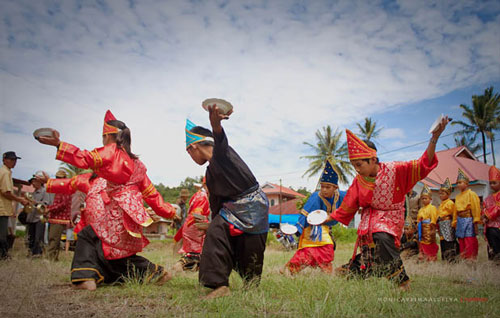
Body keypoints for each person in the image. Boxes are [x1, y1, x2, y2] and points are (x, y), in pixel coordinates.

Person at [36, 110, 176, 290]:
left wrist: (59, 145)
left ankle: (84, 278)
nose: (102, 143)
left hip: (113, 217)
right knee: (114, 254)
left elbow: (85, 158)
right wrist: (170, 212)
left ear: (108, 136)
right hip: (127, 219)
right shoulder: (137, 165)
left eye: (103, 138)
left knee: (88, 235)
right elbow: (152, 195)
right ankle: (157, 273)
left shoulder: (111, 152)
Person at [329, 116, 448, 290]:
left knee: (382, 236)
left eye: (359, 164)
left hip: (390, 217)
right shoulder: (358, 180)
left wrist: (434, 139)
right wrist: (328, 218)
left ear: (373, 160)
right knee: (371, 257)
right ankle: (353, 269)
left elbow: (424, 165)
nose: (357, 169)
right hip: (369, 220)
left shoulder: (396, 170)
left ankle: (401, 281)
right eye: (354, 165)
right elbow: (348, 206)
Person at [185, 104, 269, 300]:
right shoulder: (210, 172)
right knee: (217, 232)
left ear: (194, 146)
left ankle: (251, 283)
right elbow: (216, 204)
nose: (190, 156)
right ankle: (219, 285)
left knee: (251, 249)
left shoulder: (221, 155)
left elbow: (220, 143)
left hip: (254, 206)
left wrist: (216, 127)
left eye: (189, 152)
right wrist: (211, 223)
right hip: (232, 210)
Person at [282, 159, 345, 275]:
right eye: (322, 186)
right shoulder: (316, 197)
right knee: (308, 253)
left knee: (327, 250)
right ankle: (289, 270)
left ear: (335, 187)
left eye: (328, 187)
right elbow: (304, 214)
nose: (324, 190)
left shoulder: (341, 196)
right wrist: (297, 229)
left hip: (325, 229)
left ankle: (327, 276)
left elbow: (353, 200)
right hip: (311, 229)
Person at [173, 180, 211, 272]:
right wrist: (204, 224)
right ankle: (179, 266)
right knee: (196, 253)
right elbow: (198, 213)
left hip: (189, 223)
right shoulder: (203, 196)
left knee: (197, 253)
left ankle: (191, 270)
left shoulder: (198, 194)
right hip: (196, 224)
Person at [0, 151, 29, 260]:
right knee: (2, 236)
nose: (14, 162)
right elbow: (6, 192)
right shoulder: (5, 173)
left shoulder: (4, 172)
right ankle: (3, 256)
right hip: (1, 209)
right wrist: (20, 199)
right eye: (11, 160)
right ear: (4, 160)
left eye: (15, 160)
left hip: (4, 208)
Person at [452, 168, 481, 261]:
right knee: (461, 240)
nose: (459, 184)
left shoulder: (471, 194)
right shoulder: (457, 197)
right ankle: (463, 258)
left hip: (469, 219)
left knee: (469, 239)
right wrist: (455, 221)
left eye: (461, 182)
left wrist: (476, 220)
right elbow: (455, 211)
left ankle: (471, 258)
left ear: (467, 183)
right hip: (460, 220)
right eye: (458, 183)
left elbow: (475, 207)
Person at [46, 169, 72, 261]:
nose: (58, 179)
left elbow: (63, 204)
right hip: (55, 217)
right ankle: (54, 258)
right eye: (57, 178)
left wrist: (49, 209)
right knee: (54, 238)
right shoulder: (60, 188)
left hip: (60, 218)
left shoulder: (65, 189)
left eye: (60, 178)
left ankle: (50, 258)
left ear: (65, 178)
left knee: (53, 238)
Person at [26, 176, 51, 257]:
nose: (33, 183)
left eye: (35, 181)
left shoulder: (44, 192)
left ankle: (38, 253)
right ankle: (30, 252)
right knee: (31, 236)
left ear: (40, 182)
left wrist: (35, 202)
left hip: (39, 218)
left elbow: (46, 204)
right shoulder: (33, 193)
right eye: (32, 182)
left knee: (38, 237)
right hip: (31, 217)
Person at [437, 178, 459, 262]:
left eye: (443, 193)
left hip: (448, 223)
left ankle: (452, 259)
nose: (440, 195)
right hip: (442, 224)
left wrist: (454, 224)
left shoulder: (450, 203)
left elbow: (454, 214)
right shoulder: (441, 204)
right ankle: (445, 259)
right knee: (443, 242)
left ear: (448, 193)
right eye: (440, 193)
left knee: (449, 241)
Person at [481, 166, 500, 263]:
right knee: (491, 246)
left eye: (494, 183)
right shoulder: (488, 198)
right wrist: (483, 216)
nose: (492, 185)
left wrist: (487, 215)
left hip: (497, 226)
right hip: (489, 226)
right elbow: (483, 208)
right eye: (490, 183)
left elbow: (498, 208)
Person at [417, 185, 438, 262]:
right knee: (422, 243)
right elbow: (418, 219)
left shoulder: (432, 208)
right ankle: (424, 258)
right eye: (422, 199)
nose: (424, 200)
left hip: (429, 228)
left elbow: (433, 219)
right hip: (422, 229)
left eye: (426, 198)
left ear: (430, 199)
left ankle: (431, 258)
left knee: (430, 243)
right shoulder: (421, 209)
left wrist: (433, 229)